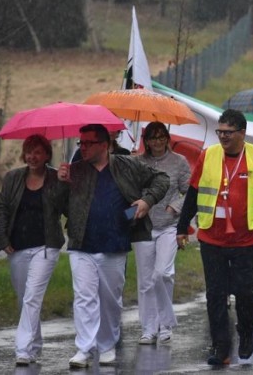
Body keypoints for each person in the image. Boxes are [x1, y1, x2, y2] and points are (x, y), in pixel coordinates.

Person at [55, 124, 169, 368]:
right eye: (80, 143)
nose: (82, 148)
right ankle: (83, 349)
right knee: (84, 297)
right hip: (80, 243)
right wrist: (60, 183)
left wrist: (146, 202)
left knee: (109, 299)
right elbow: (60, 206)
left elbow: (161, 179)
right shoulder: (75, 170)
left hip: (114, 242)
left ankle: (107, 345)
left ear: (104, 144)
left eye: (88, 143)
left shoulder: (127, 164)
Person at [176, 109, 253, 366]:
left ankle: (246, 333)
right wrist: (181, 227)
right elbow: (194, 191)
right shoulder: (209, 155)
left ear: (242, 133)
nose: (222, 137)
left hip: (245, 239)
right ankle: (221, 347)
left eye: (228, 133)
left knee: (245, 292)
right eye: (219, 132)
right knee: (215, 294)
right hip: (213, 237)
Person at [0, 135, 64, 366]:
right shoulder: (14, 177)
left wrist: (65, 183)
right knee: (24, 300)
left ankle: (23, 350)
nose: (32, 157)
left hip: (46, 247)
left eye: (37, 152)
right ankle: (35, 343)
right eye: (28, 152)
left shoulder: (56, 178)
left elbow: (66, 207)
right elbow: (3, 208)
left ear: (47, 155)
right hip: (17, 247)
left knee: (33, 297)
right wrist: (2, 238)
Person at [134, 122, 191, 345]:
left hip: (169, 225)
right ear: (146, 141)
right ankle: (149, 328)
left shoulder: (179, 162)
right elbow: (129, 188)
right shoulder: (138, 162)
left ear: (167, 138)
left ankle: (166, 324)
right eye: (152, 138)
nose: (157, 142)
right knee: (145, 281)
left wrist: (175, 205)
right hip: (144, 227)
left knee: (162, 274)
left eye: (161, 137)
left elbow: (188, 191)